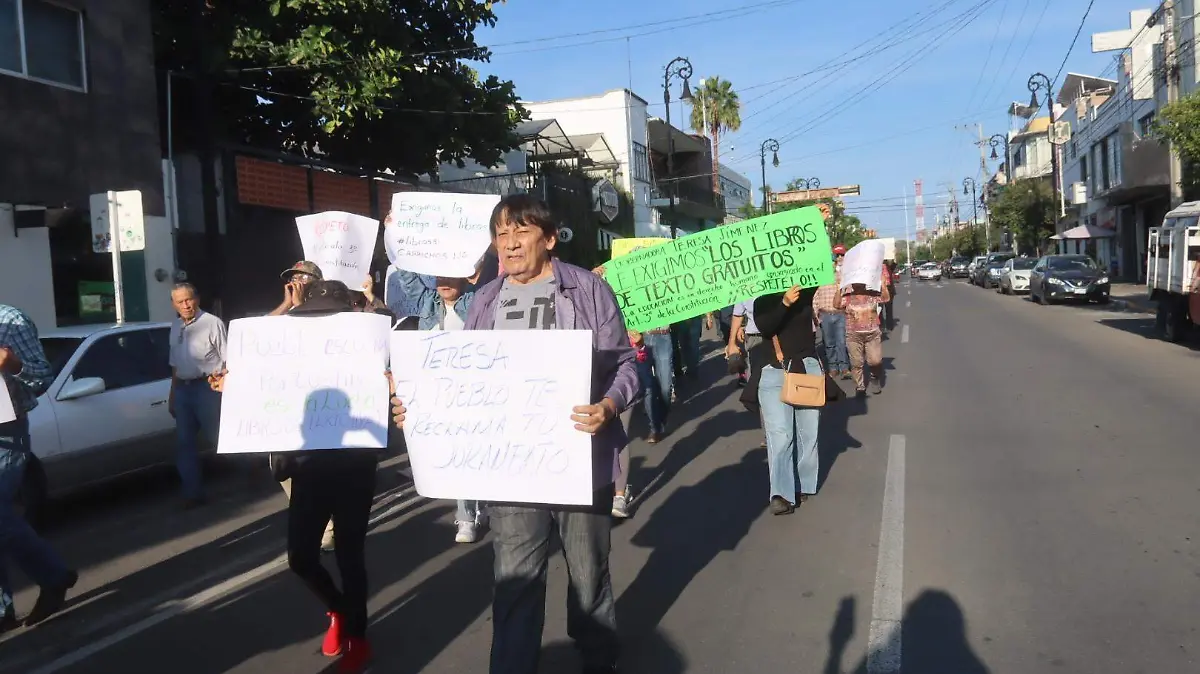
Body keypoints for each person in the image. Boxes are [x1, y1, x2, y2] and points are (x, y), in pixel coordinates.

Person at [391, 194, 638, 674]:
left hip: (579, 464)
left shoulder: (587, 290)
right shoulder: (484, 298)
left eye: (520, 232)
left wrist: (609, 406)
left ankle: (597, 657)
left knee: (588, 577)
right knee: (515, 581)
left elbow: (625, 365)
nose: (508, 243)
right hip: (511, 472)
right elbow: (459, 378)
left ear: (548, 238)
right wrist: (417, 407)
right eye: (500, 234)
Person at [212, 280, 378, 673]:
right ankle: (338, 610)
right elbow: (264, 387)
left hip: (355, 470)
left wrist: (388, 383)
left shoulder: (365, 354)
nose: (317, 325)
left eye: (326, 317)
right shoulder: (292, 358)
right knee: (300, 557)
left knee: (350, 557)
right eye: (311, 316)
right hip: (307, 469)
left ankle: (358, 638)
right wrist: (232, 389)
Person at [389, 229, 486, 544]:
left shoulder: (475, 301)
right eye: (438, 278)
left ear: (462, 279)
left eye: (450, 277)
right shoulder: (428, 302)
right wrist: (398, 233)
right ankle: (468, 511)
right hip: (439, 391)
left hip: (473, 388)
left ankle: (471, 510)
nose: (443, 283)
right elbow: (407, 278)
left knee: (471, 448)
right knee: (455, 450)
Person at [0, 304, 77, 630]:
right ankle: (3, 610)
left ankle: (54, 575)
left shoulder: (10, 321)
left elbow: (42, 378)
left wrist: (13, 365)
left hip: (5, 431)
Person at [745, 285, 822, 516]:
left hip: (806, 370)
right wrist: (785, 303)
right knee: (780, 436)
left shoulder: (805, 291)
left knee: (808, 434)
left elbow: (817, 269)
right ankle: (781, 494)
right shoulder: (761, 299)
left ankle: (804, 484)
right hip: (773, 371)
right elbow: (766, 327)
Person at [167, 283, 227, 507]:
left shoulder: (212, 323)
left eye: (189, 299)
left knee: (219, 440)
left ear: (197, 299)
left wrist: (223, 384)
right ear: (174, 304)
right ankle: (193, 493)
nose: (186, 305)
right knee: (184, 444)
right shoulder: (175, 326)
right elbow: (174, 365)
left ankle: (254, 469)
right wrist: (173, 395)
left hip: (207, 388)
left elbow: (228, 359)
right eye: (180, 301)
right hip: (183, 389)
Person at [839, 270, 890, 396]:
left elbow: (886, 298)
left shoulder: (872, 294)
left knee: (875, 361)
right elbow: (836, 305)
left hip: (872, 333)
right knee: (856, 363)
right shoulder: (847, 296)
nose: (858, 284)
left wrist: (883, 285)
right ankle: (860, 386)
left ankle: (874, 376)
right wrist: (838, 289)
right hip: (853, 335)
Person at [812, 269, 849, 380]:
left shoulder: (841, 276)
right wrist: (816, 317)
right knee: (829, 343)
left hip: (840, 314)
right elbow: (815, 298)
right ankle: (833, 368)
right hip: (825, 315)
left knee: (841, 342)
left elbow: (847, 295)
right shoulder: (819, 278)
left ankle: (844, 367)